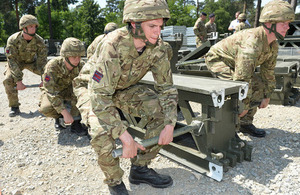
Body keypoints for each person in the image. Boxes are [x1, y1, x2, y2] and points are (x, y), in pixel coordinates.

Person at [73, 0, 178, 194]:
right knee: (101, 132)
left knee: (164, 113)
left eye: (160, 26)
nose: (158, 32)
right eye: (152, 26)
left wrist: (170, 124)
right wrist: (125, 137)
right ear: (134, 25)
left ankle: (140, 168)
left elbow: (167, 89)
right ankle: (114, 181)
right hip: (92, 89)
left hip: (122, 88)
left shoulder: (159, 48)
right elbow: (99, 96)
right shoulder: (112, 45)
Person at [205, 0, 294, 138]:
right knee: (234, 91)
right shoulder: (252, 43)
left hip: (237, 62)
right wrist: (244, 106)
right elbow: (242, 79)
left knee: (258, 86)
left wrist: (267, 95)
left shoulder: (273, 44)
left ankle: (244, 124)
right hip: (217, 60)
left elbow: (268, 72)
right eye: (284, 23)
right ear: (270, 24)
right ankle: (229, 129)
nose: (288, 27)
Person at [39, 37, 88, 136]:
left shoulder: (82, 65)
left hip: (71, 92)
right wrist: (64, 112)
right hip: (56, 92)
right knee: (45, 108)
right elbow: (50, 91)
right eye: (74, 56)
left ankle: (76, 122)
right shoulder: (52, 66)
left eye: (79, 56)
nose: (77, 60)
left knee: (81, 92)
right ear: (66, 55)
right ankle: (59, 118)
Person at [3, 14, 47, 117]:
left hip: (32, 62)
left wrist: (44, 77)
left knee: (50, 76)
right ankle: (14, 106)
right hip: (17, 63)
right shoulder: (13, 40)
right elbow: (12, 61)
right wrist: (18, 81)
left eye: (35, 26)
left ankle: (47, 103)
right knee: (8, 80)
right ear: (24, 27)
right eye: (31, 26)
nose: (33, 28)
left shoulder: (40, 41)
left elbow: (42, 61)